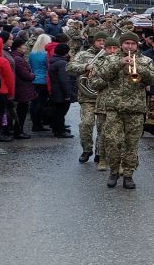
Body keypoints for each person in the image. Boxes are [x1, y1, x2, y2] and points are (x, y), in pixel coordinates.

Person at [94, 33, 154, 189]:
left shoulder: (146, 60)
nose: (130, 46)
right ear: (122, 45)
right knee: (112, 141)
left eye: (133, 44)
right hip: (114, 107)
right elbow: (103, 75)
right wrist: (120, 64)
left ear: (137, 45)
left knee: (131, 144)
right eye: (127, 43)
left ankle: (128, 174)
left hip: (135, 109)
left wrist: (139, 68)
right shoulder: (110, 59)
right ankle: (114, 171)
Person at [68, 32, 108, 162]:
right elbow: (69, 67)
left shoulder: (111, 55)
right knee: (86, 124)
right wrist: (85, 66)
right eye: (99, 40)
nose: (101, 43)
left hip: (105, 96)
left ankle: (100, 151)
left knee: (104, 127)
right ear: (93, 42)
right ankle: (87, 149)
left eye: (104, 40)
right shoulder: (83, 54)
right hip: (87, 96)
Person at [92, 37, 121, 171]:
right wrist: (109, 79)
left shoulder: (125, 61)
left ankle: (119, 161)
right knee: (103, 133)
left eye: (115, 48)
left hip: (121, 103)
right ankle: (102, 158)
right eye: (109, 48)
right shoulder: (99, 62)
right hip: (104, 103)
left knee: (120, 135)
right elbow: (94, 83)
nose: (112, 51)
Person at [46, 42, 76, 138]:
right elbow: (64, 80)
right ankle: (60, 131)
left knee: (58, 111)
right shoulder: (62, 63)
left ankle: (58, 128)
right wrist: (68, 94)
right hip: (61, 92)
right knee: (61, 112)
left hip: (56, 90)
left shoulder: (54, 61)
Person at [9, 38, 36, 140]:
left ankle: (19, 130)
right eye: (24, 46)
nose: (25, 47)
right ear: (19, 47)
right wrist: (32, 75)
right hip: (22, 88)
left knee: (21, 110)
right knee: (21, 111)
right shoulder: (18, 59)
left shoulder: (17, 57)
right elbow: (25, 75)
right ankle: (18, 131)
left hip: (21, 87)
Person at [29, 33, 50, 131]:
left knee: (34, 103)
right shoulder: (45, 54)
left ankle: (35, 123)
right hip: (43, 80)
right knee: (41, 103)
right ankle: (38, 124)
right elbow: (48, 67)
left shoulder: (32, 53)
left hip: (34, 79)